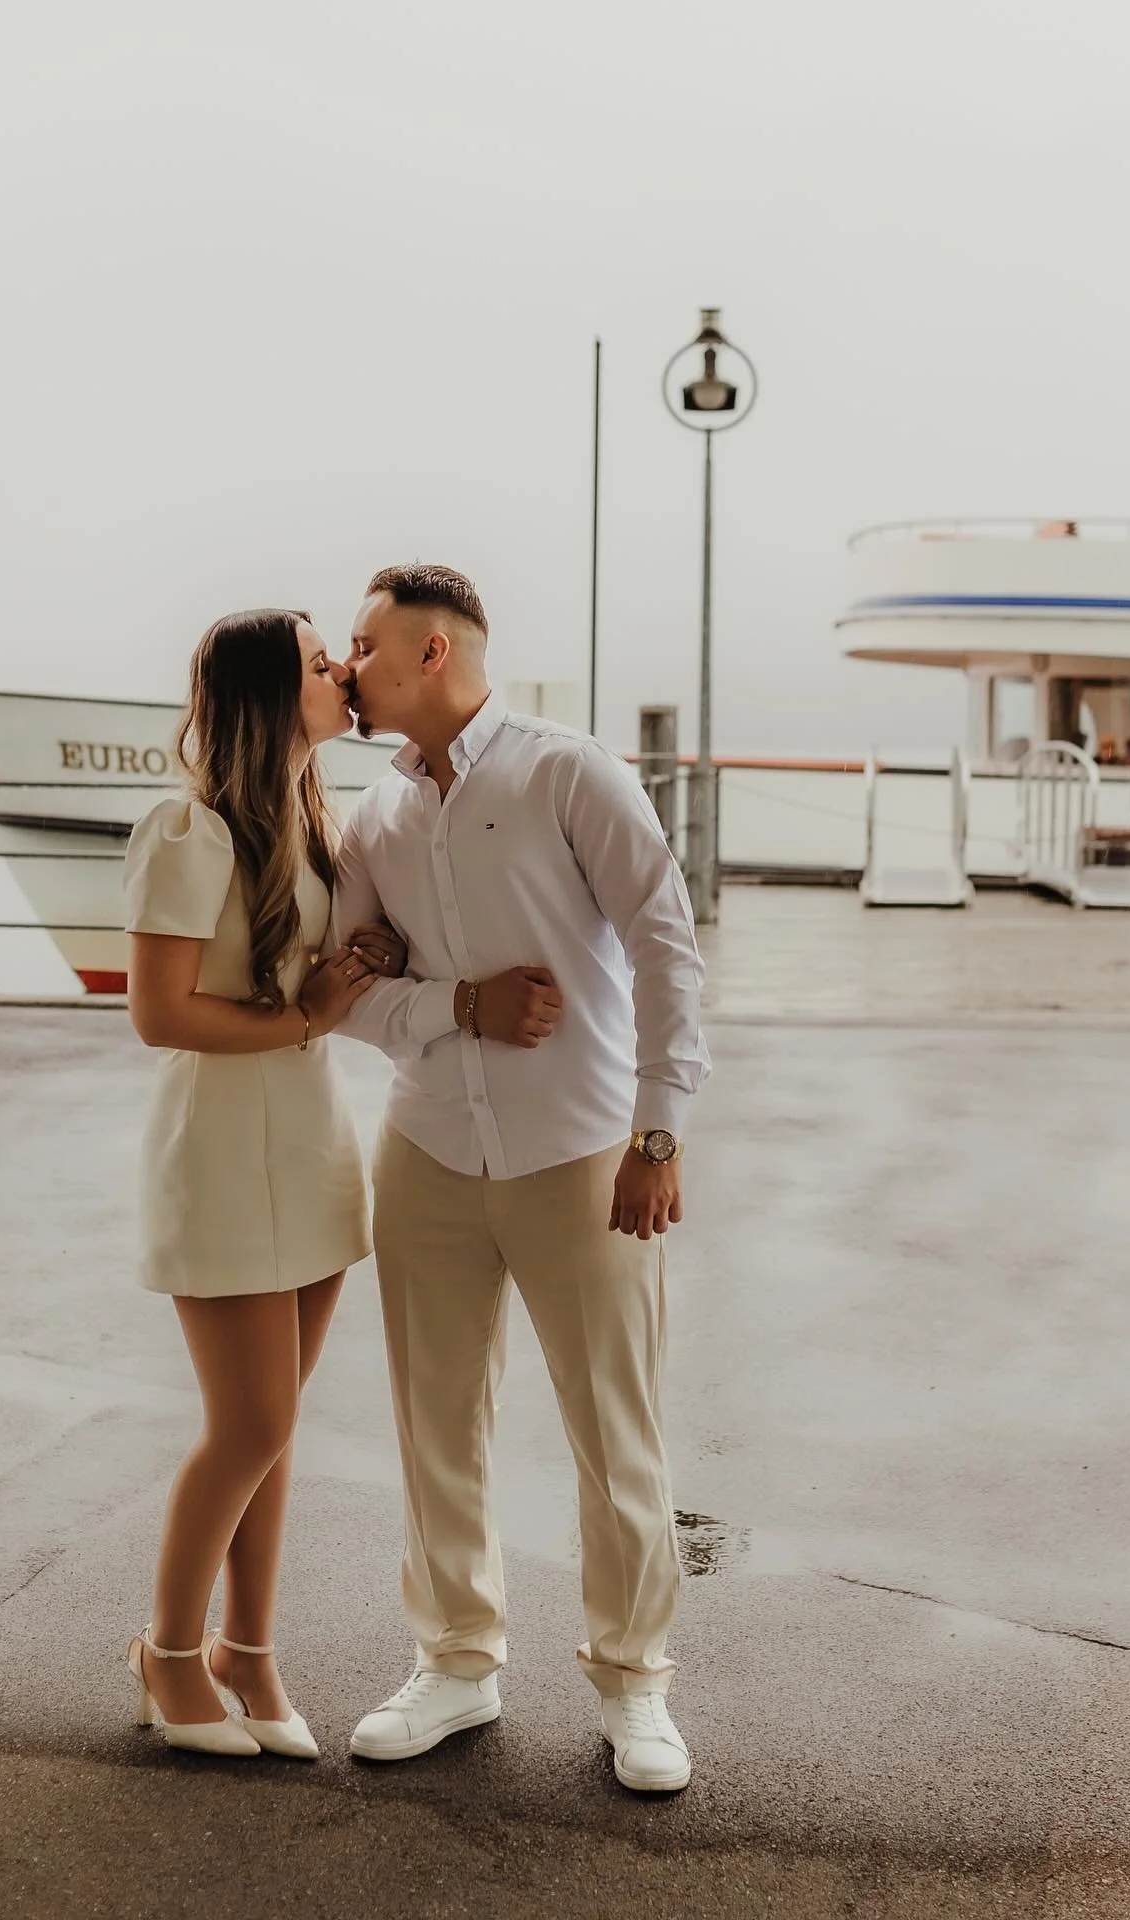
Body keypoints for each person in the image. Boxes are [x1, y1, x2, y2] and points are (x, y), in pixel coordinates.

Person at [328, 563, 710, 1794]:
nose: (349, 665)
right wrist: (454, 1004)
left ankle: (636, 1684)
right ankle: (456, 1662)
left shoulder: (565, 771)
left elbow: (664, 938)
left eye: (366, 644)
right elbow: (336, 992)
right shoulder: (375, 818)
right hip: (429, 1149)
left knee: (618, 1433)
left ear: (432, 653)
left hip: (581, 1153)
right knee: (437, 1422)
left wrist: (657, 1131)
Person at [121, 608, 405, 1759]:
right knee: (250, 1423)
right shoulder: (186, 830)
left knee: (274, 1430)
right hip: (227, 1151)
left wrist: (357, 966)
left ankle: (250, 1649)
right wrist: (305, 1012)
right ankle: (170, 1657)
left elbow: (314, 982)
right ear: (265, 692)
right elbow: (158, 1013)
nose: (344, 672)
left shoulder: (313, 821)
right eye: (321, 661)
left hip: (311, 1138)